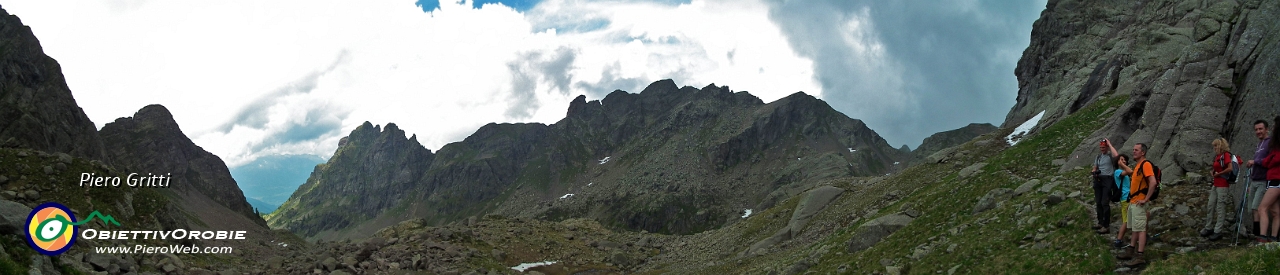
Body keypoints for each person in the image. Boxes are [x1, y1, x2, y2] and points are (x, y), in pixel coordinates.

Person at [1118, 143, 1156, 267]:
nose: (1133, 151)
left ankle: (1140, 256)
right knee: (1135, 228)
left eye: (1136, 150)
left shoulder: (1146, 165)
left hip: (1140, 203)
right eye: (1133, 149)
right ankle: (1131, 250)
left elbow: (1153, 182)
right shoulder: (1138, 166)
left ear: (1143, 152)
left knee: (1140, 229)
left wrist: (1145, 199)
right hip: (1134, 202)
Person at [1201, 138, 1233, 240]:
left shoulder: (1226, 155)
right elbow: (1216, 167)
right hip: (1216, 184)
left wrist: (1218, 174)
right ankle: (1208, 227)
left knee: (1220, 208)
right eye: (1214, 146)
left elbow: (1230, 168)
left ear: (1220, 146)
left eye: (1216, 146)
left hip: (1223, 185)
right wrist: (1213, 172)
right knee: (1211, 205)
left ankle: (1218, 231)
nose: (1214, 148)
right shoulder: (1218, 156)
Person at [1246, 120, 1271, 241]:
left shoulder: (1269, 143)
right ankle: (1256, 234)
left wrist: (1255, 162)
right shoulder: (1259, 144)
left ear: (1267, 129)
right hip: (1255, 180)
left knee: (1257, 207)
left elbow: (1270, 161)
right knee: (1252, 207)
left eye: (1260, 129)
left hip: (1263, 180)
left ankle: (1260, 235)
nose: (1258, 132)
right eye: (1256, 129)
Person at [1258, 117, 1280, 241]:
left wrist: (1269, 161)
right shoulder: (1275, 145)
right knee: (1275, 212)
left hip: (1275, 181)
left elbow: (1272, 159)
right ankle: (1274, 238)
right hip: (1274, 180)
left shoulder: (1276, 146)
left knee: (1262, 208)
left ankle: (1262, 237)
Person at [1092, 139, 1116, 234]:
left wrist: (1110, 144)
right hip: (1098, 179)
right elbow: (1095, 167)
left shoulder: (1110, 156)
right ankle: (1100, 223)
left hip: (1108, 179)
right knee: (1098, 202)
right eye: (1101, 148)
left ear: (1107, 147)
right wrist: (1094, 171)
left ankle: (1106, 226)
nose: (1102, 149)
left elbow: (1116, 156)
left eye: (1103, 147)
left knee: (1104, 203)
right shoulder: (1098, 156)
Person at [1112, 153, 1133, 249]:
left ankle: (1119, 241)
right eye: (1121, 159)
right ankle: (1120, 240)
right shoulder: (1117, 172)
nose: (1124, 161)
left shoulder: (1121, 170)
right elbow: (1130, 171)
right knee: (1128, 220)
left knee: (1127, 220)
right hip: (1126, 198)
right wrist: (1123, 165)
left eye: (1124, 160)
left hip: (1127, 198)